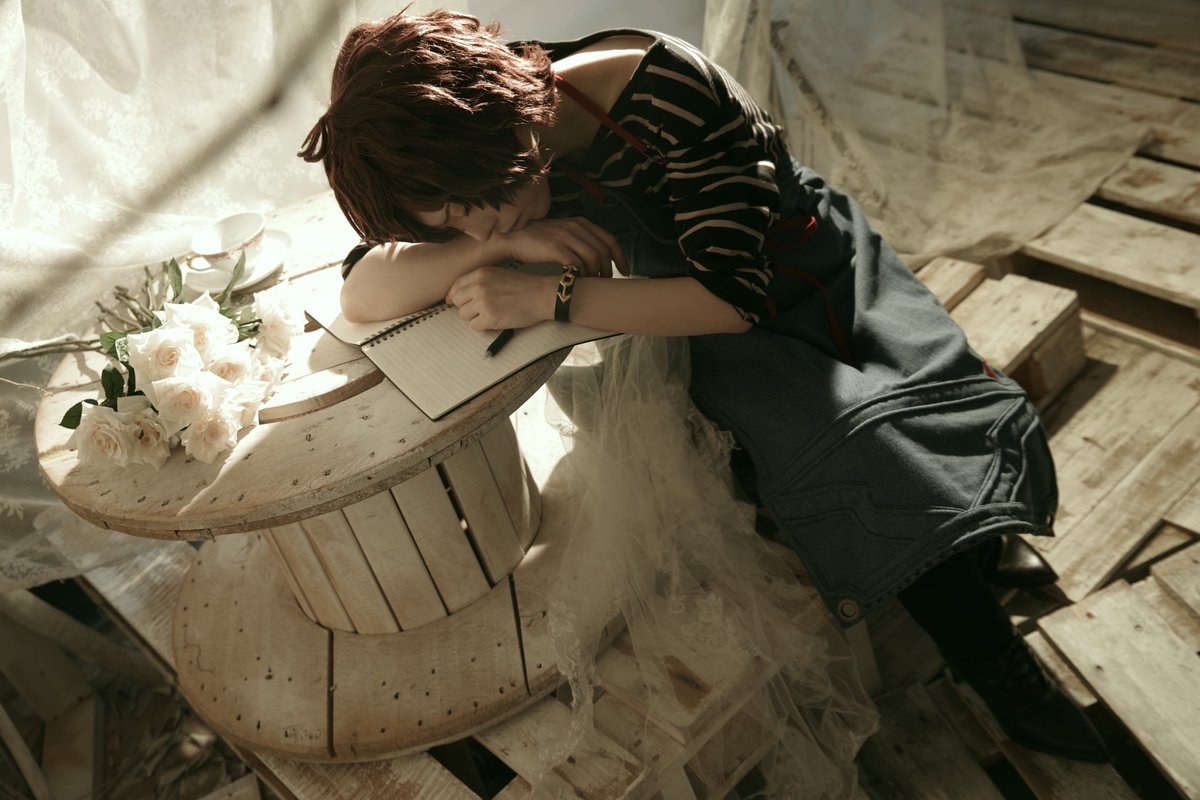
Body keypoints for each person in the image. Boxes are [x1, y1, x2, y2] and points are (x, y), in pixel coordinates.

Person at [298, 7, 1109, 780]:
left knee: (864, 445)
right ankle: (963, 549)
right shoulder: (471, 141)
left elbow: (731, 298)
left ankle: (994, 654)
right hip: (671, 314)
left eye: (474, 210)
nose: (474, 234)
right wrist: (502, 239)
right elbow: (362, 293)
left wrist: (549, 295)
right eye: (451, 224)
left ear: (514, 137)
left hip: (796, 278)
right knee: (792, 453)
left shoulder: (660, 89)